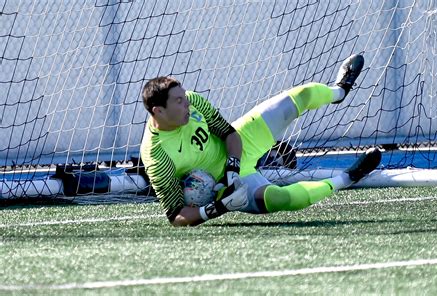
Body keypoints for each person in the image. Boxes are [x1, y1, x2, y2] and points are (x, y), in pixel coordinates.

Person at [140, 54, 381, 226]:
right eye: (179, 101)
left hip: (239, 146)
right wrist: (220, 207)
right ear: (158, 111)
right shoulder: (156, 156)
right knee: (281, 198)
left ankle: (339, 91)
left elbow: (229, 133)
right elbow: (176, 216)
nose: (187, 103)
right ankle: (347, 178)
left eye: (184, 97)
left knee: (303, 95)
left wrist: (233, 166)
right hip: (226, 188)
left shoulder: (193, 101)